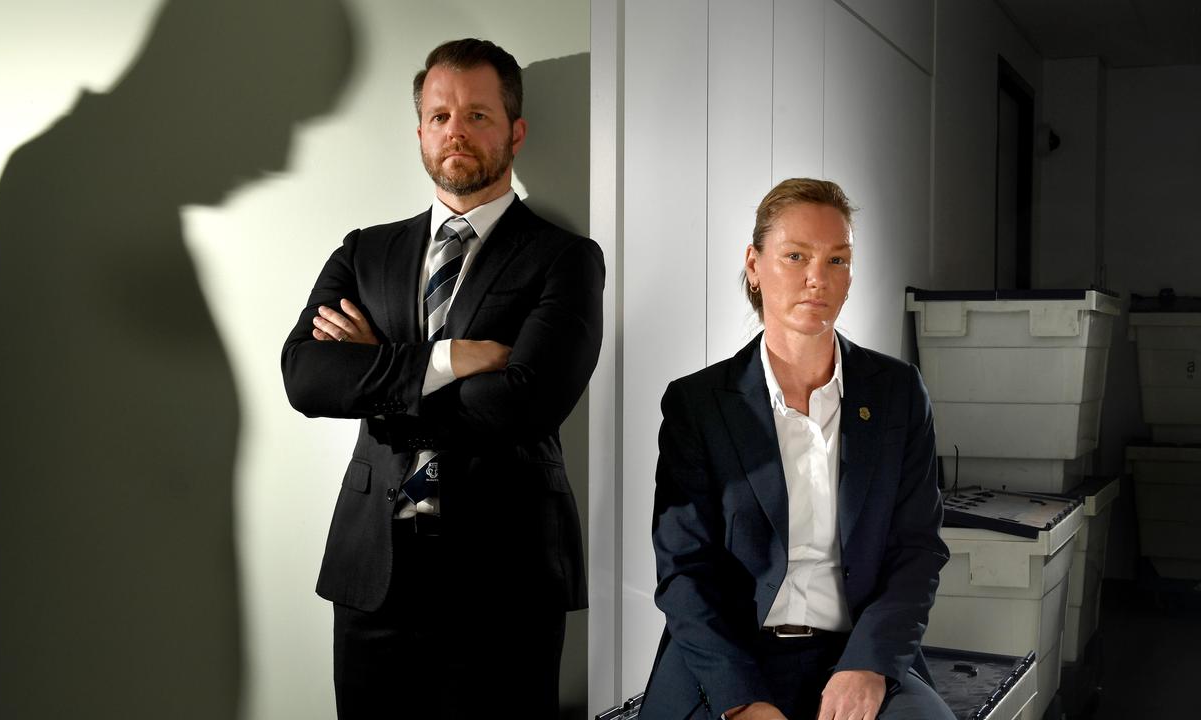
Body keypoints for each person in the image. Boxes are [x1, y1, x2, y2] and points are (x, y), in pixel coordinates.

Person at [280, 38, 603, 718]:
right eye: (440, 116)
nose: (456, 130)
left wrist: (375, 365)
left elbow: (527, 406)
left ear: (515, 131)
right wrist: (447, 360)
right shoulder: (365, 251)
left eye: (478, 115)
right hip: (375, 573)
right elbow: (306, 378)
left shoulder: (564, 259)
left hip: (507, 578)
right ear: (421, 132)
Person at [639, 179, 954, 720]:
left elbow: (917, 552)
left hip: (855, 651)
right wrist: (742, 699)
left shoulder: (898, 394)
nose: (817, 278)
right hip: (729, 657)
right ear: (755, 265)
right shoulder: (698, 404)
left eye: (837, 259)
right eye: (795, 256)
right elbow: (684, 572)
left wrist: (869, 666)